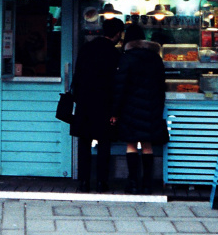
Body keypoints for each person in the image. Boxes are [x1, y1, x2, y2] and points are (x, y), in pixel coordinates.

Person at [111, 23, 167, 194]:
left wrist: (114, 112)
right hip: (151, 107)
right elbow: (161, 86)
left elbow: (119, 87)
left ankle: (133, 182)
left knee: (131, 145)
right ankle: (147, 184)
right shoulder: (156, 58)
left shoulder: (126, 58)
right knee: (148, 145)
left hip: (130, 108)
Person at [70, 16, 124, 192]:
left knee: (84, 143)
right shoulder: (115, 54)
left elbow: (77, 76)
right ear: (117, 34)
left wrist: (77, 98)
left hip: (85, 102)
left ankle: (84, 182)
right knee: (104, 144)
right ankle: (102, 182)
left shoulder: (86, 49)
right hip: (104, 103)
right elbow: (116, 83)